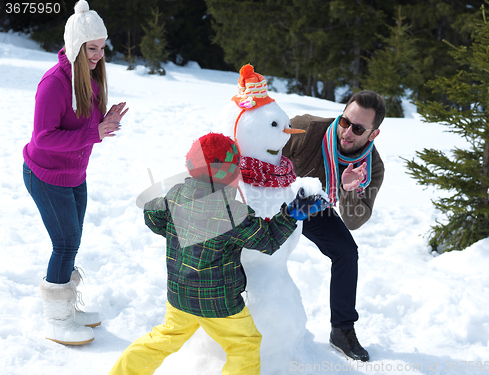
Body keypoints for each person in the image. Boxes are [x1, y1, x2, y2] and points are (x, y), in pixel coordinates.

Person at [108, 133, 327, 375]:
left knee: (163, 339)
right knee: (244, 344)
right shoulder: (234, 213)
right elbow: (268, 239)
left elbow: (151, 214)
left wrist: (176, 232)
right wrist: (292, 214)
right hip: (219, 303)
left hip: (180, 295)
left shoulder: (175, 196)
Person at [22, 0, 128, 345]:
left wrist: (104, 120)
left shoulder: (89, 79)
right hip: (45, 176)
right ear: (75, 46)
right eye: (91, 48)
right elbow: (44, 137)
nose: (98, 55)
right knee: (65, 243)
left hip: (74, 175)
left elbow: (80, 124)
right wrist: (94, 132)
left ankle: (65, 308)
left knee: (72, 242)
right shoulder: (54, 83)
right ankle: (56, 320)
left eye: (101, 47)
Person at [282, 90, 386, 362]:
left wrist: (349, 188)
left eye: (359, 128)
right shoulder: (305, 128)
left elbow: (354, 220)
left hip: (315, 207)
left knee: (346, 253)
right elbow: (259, 151)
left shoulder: (372, 167)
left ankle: (342, 330)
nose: (347, 131)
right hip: (274, 198)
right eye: (344, 121)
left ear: (372, 134)